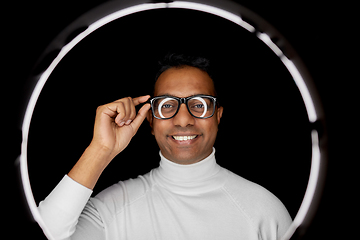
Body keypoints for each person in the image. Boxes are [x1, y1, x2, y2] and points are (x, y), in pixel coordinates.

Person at [38, 53, 292, 240]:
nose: (183, 120)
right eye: (168, 105)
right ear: (150, 120)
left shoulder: (264, 210)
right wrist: (101, 149)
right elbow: (46, 232)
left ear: (218, 115)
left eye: (199, 104)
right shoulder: (113, 208)